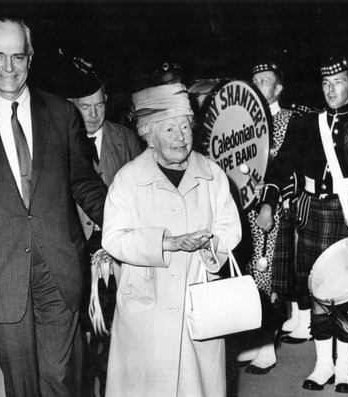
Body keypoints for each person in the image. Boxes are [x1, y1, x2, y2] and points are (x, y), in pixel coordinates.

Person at [0, 18, 107, 396]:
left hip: (58, 266)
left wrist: (126, 227)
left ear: (30, 57)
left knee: (61, 379)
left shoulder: (60, 114)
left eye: (17, 56)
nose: (8, 68)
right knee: (21, 386)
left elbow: (84, 183)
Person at [257, 56, 348, 393]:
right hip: (310, 210)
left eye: (339, 83)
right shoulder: (307, 123)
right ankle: (323, 364)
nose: (332, 90)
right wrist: (269, 202)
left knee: (345, 292)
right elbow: (282, 164)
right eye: (326, 84)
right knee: (317, 290)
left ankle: (345, 368)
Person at [101, 82, 242, 396]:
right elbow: (113, 238)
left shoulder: (212, 174)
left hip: (199, 301)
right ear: (149, 136)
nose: (181, 136)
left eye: (184, 127)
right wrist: (167, 243)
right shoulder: (128, 180)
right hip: (146, 305)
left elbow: (230, 227)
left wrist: (209, 244)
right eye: (169, 130)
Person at [63, 57, 143, 397]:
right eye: (85, 107)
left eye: (99, 105)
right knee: (82, 332)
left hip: (116, 249)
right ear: (71, 107)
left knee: (114, 329)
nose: (94, 114)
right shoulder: (62, 141)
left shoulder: (125, 140)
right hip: (77, 250)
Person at [236, 61, 297, 374]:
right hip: (247, 207)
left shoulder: (289, 120)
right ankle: (256, 339)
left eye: (266, 80)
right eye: (255, 78)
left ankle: (266, 349)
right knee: (250, 272)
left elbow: (286, 169)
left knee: (269, 274)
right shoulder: (241, 122)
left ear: (279, 88)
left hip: (275, 207)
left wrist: (269, 201)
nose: (258, 84)